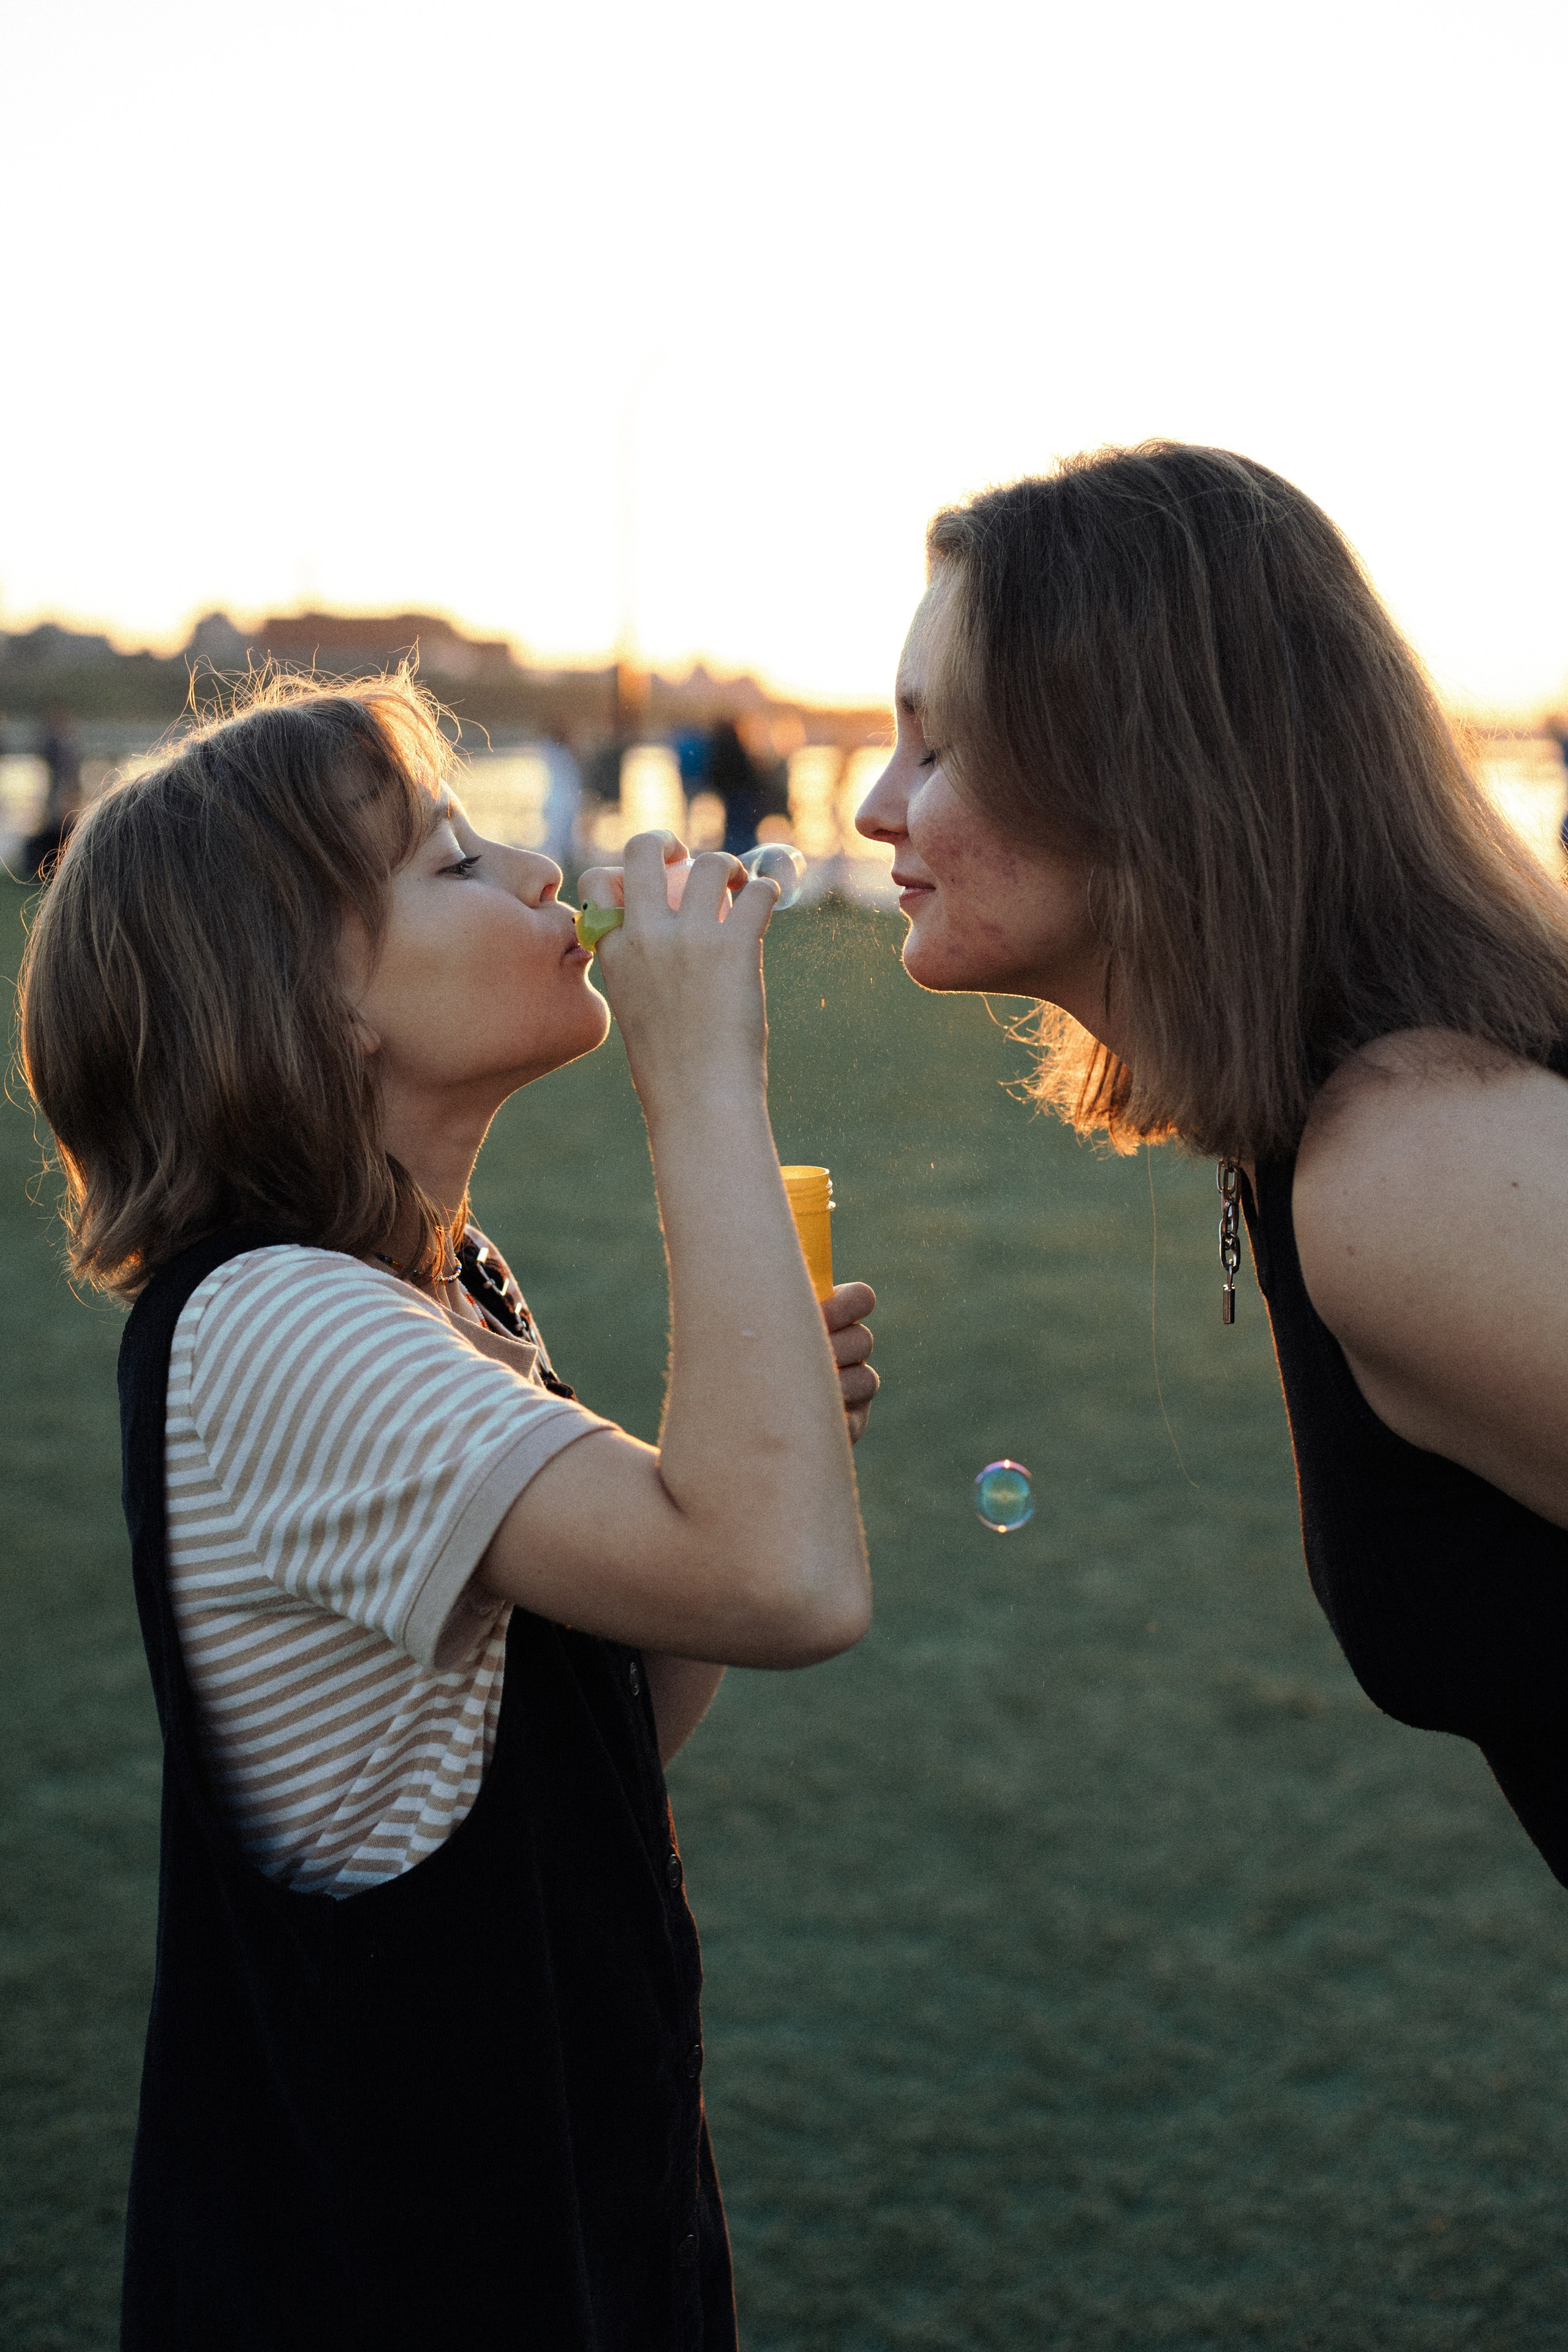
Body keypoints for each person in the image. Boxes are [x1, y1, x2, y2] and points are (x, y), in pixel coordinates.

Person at [18, 674, 878, 2350]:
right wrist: (704, 1073)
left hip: (560, 2222)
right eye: (450, 860)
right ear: (312, 1002)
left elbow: (614, 1715)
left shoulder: (432, 1289)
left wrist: (760, 1437)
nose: (542, 871)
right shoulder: (278, 1322)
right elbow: (785, 1587)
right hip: (378, 2278)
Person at [857, 442, 1568, 1886]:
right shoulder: (1353, 1121)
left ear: (1129, 775)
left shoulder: (1408, 1155)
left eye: (935, 749)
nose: (876, 807)